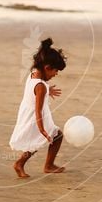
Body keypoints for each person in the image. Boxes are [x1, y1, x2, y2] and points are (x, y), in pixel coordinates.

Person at [9, 38, 67, 178]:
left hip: (30, 114)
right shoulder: (40, 86)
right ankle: (34, 164)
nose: (56, 74)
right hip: (37, 117)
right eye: (55, 71)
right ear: (47, 68)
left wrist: (48, 90)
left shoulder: (34, 74)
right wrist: (41, 129)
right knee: (53, 137)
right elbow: (38, 109)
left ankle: (34, 164)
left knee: (39, 141)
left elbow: (36, 90)